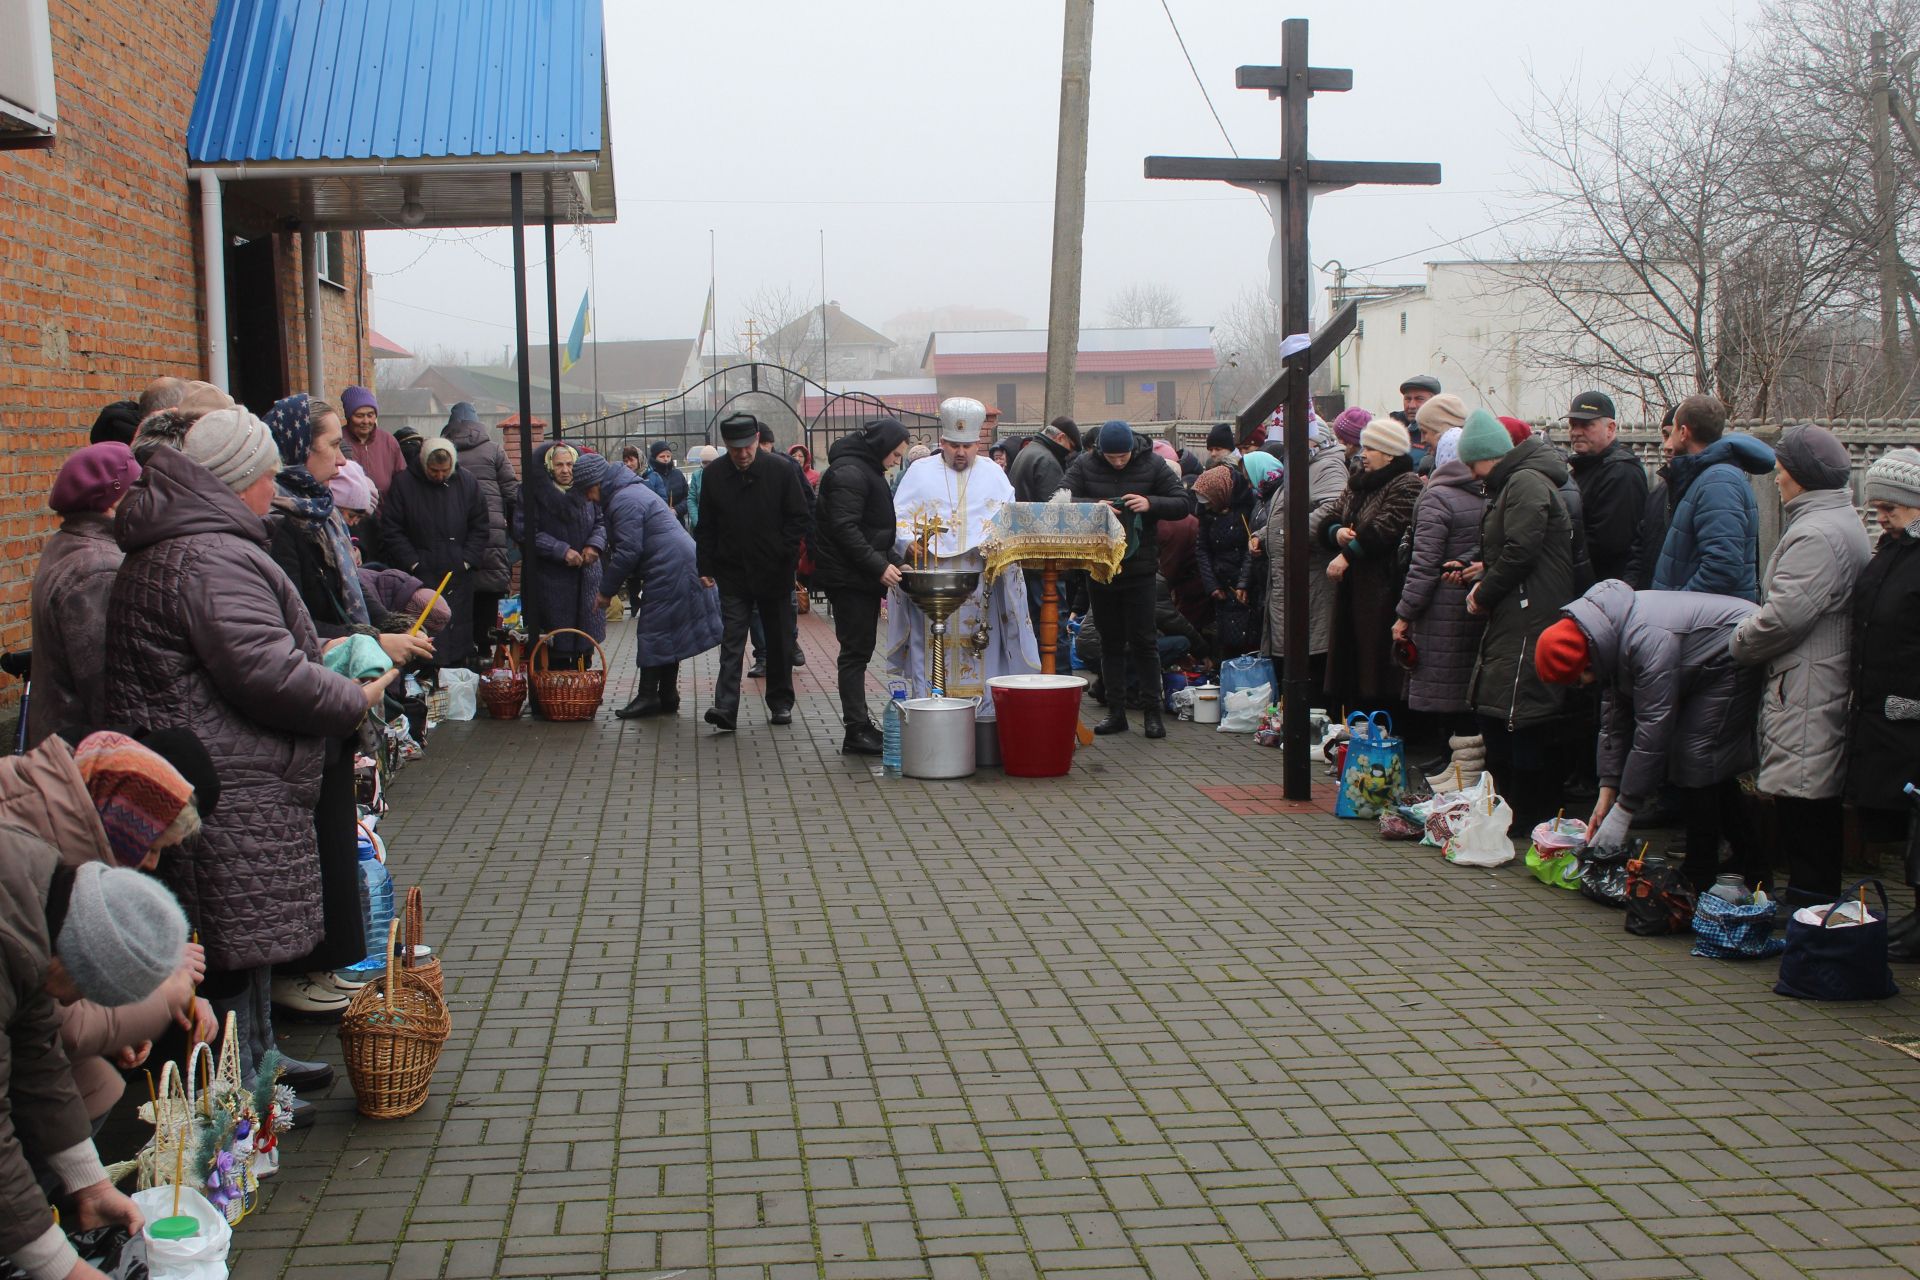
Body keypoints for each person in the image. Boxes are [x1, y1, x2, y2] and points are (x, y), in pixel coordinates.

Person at [108, 406, 395, 1090]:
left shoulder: (194, 545)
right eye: (268, 475)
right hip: (229, 777)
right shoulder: (209, 557)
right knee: (230, 936)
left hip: (228, 768)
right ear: (240, 480)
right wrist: (351, 697)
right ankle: (239, 1087)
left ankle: (261, 1061)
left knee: (246, 928)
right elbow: (266, 672)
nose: (276, 486)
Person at [263, 395, 433, 1015]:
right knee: (316, 842)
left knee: (337, 832)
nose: (343, 459)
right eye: (333, 445)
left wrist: (381, 630)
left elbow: (344, 596)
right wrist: (374, 642)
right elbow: (300, 623)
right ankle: (302, 968)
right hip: (312, 694)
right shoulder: (281, 525)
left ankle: (325, 961)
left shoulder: (315, 514)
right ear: (298, 449)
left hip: (334, 697)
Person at [1, 730, 214, 1125]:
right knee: (86, 1097)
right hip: (23, 1040)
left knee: (98, 1089)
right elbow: (57, 1016)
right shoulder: (47, 857)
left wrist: (122, 1023)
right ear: (122, 829)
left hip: (28, 1033)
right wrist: (165, 996)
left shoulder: (60, 830)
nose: (151, 864)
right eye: (152, 848)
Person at [2, 848, 185, 1280]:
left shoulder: (38, 908)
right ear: (74, 956)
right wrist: (63, 1268)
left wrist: (92, 1185)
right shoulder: (14, 941)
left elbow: (37, 1056)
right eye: (84, 988)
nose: (71, 1003)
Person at [1725, 425, 1869, 910]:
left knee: (1804, 801)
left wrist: (1739, 639)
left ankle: (1809, 905)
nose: (1777, 479)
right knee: (1811, 799)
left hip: (1808, 684)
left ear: (1803, 476)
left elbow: (1783, 618)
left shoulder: (1815, 535)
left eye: (1783, 470)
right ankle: (1812, 903)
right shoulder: (1836, 521)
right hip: (1816, 678)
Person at [1538, 580, 1762, 892]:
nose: (1581, 687)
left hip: (1733, 654)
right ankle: (1748, 861)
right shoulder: (1605, 637)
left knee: (1696, 757)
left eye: (1578, 680)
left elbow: (1653, 730)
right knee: (1703, 763)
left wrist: (1624, 809)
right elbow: (1614, 721)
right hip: (1704, 663)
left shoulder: (1644, 639)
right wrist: (1607, 791)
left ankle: (1703, 870)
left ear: (1586, 661)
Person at [1456, 408, 1578, 831]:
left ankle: (1525, 811)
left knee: (1519, 710)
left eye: (1472, 463)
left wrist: (1484, 592)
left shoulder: (1524, 482)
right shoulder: (1518, 482)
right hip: (1519, 608)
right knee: (1504, 706)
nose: (1471, 474)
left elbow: (1520, 550)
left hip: (1529, 612)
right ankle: (1512, 806)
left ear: (1486, 456)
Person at [888, 399, 1041, 701]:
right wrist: (908, 543)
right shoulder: (919, 472)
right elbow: (898, 518)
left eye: (967, 446)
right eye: (954, 445)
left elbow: (1008, 520)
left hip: (980, 580)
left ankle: (982, 713)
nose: (960, 452)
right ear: (942, 441)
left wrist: (998, 545)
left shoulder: (994, 474)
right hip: (931, 577)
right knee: (928, 641)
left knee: (982, 644)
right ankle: (929, 706)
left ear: (977, 445)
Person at [1064, 420, 1190, 737]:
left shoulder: (1153, 463)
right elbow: (1059, 500)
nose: (1119, 462)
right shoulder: (1085, 464)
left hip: (1140, 569)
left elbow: (1183, 503)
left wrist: (1150, 503)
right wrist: (1094, 507)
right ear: (1100, 451)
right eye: (1112, 457)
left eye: (1124, 456)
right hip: (1101, 567)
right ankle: (1115, 712)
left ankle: (1152, 713)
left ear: (1133, 448)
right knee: (1110, 642)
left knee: (1144, 641)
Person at [1843, 448, 1920, 947]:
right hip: (1885, 712)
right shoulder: (1892, 552)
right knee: (1906, 818)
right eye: (1877, 506)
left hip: (1911, 713)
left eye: (1890, 506)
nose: (1881, 516)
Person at [697, 413, 811, 732]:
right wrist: (705, 565)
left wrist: (785, 553)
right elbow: (706, 525)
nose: (743, 454)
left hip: (775, 572)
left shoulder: (781, 470)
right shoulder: (715, 474)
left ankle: (780, 702)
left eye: (747, 447)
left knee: (779, 640)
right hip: (733, 572)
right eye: (735, 449)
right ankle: (725, 707)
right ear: (726, 446)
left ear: (758, 440)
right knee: (732, 639)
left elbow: (799, 517)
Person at [26, 444, 141, 748]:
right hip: (86, 753)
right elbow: (108, 688)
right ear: (113, 501)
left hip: (64, 742)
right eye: (137, 488)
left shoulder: (68, 542)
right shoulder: (98, 569)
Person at [598, 450, 721, 719]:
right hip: (679, 562)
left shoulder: (624, 500)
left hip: (670, 567)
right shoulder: (630, 491)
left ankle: (648, 696)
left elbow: (628, 552)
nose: (588, 497)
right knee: (668, 629)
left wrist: (606, 591)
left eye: (587, 490)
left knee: (653, 629)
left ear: (596, 483)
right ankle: (666, 694)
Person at [812, 418, 911, 753]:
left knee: (860, 650)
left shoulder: (864, 469)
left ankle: (860, 726)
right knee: (855, 653)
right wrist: (879, 566)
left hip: (857, 574)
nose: (897, 460)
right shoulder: (851, 473)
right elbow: (845, 529)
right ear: (881, 447)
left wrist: (895, 561)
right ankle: (856, 730)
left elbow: (871, 531)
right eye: (895, 453)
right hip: (849, 578)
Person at [1322, 416, 1422, 718]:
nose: (1363, 454)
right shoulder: (1358, 482)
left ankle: (1383, 726)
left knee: (1375, 664)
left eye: (1371, 448)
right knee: (1351, 662)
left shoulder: (1406, 484)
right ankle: (1357, 725)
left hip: (1383, 587)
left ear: (1389, 454)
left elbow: (1385, 528)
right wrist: (1336, 532)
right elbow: (1332, 515)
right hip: (1353, 588)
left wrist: (1346, 555)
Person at [1393, 426, 1486, 744]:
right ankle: (1460, 756)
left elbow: (1424, 563)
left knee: (1444, 685)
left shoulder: (1436, 497)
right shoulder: (1488, 492)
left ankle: (1449, 756)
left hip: (1439, 609)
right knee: (1465, 686)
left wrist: (1405, 613)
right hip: (1473, 601)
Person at [379, 435, 491, 670]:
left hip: (458, 573)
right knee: (424, 633)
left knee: (457, 633)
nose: (440, 476)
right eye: (434, 471)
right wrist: (413, 562)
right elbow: (392, 528)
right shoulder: (404, 484)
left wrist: (467, 560)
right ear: (423, 464)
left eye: (444, 471)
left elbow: (480, 525)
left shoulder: (467, 482)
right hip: (420, 573)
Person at [1651, 394, 1775, 600]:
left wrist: (1677, 605)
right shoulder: (1708, 476)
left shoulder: (1718, 482)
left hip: (1704, 617)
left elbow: (1723, 567)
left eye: (1672, 429)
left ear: (1683, 432)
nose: (1668, 441)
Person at [1259, 418, 1347, 698]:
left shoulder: (1328, 466)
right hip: (1287, 582)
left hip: (1311, 581)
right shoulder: (1300, 467)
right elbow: (1283, 513)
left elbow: (1333, 509)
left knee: (1311, 658)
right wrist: (1261, 535)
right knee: (1291, 655)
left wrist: (1290, 532)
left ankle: (1310, 716)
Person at [513, 444, 607, 674]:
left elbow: (602, 521)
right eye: (559, 465)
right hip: (550, 578)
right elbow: (525, 531)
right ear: (549, 467)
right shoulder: (532, 491)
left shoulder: (587, 487)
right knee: (557, 643)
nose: (565, 470)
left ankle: (582, 682)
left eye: (570, 464)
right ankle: (558, 684)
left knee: (585, 641)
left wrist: (594, 544)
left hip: (586, 574)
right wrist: (561, 550)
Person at [441, 402, 521, 654]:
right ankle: (497, 654)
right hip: (492, 534)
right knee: (496, 593)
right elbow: (512, 493)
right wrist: (512, 529)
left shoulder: (443, 451)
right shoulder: (494, 450)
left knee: (459, 596)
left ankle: (465, 655)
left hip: (456, 536)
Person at [1563, 390, 1649, 585]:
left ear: (1610, 428)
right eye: (1573, 425)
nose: (1576, 432)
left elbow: (1611, 544)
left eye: (1586, 425)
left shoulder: (1622, 472)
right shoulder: (1584, 469)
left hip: (1606, 586)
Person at [1192, 464, 1257, 662]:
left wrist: (1243, 583)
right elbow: (1202, 548)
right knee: (1226, 640)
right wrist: (1211, 584)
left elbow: (1251, 548)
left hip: (1247, 584)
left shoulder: (1248, 508)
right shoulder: (1207, 514)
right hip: (1222, 584)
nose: (1208, 506)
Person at [1631, 407, 1679, 590]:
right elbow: (1639, 551)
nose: (1668, 446)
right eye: (1666, 435)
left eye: (1676, 435)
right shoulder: (1658, 493)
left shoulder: (1709, 490)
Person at [338, 386, 404, 495]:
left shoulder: (388, 441)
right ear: (348, 416)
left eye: (370, 415)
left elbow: (402, 481)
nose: (366, 421)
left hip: (385, 505)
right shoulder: (337, 441)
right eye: (359, 416)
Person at [644, 439, 690, 524]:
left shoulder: (678, 474)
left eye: (668, 456)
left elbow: (688, 498)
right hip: (656, 522)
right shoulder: (649, 476)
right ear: (654, 457)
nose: (666, 459)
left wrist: (676, 510)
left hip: (678, 522)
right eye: (662, 456)